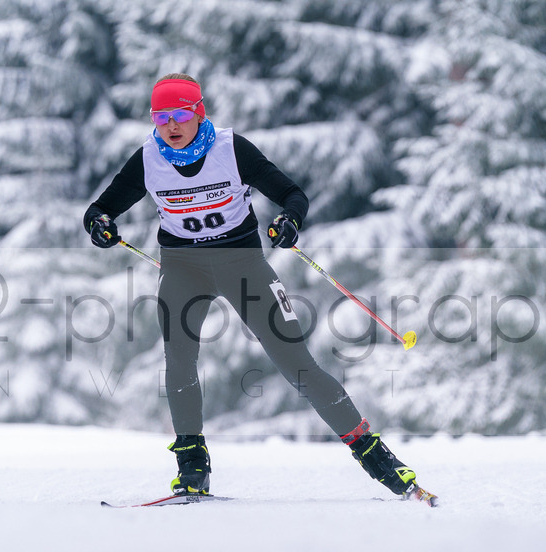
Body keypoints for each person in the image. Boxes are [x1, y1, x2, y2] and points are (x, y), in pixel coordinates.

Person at [83, 73, 419, 499]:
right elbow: (100, 208)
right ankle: (192, 467)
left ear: (198, 112)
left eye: (180, 114)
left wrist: (289, 221)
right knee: (180, 361)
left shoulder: (230, 149)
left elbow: (292, 194)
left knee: (297, 364)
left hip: (243, 264)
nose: (171, 125)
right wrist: (99, 224)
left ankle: (377, 457)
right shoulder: (148, 158)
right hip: (183, 268)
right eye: (161, 116)